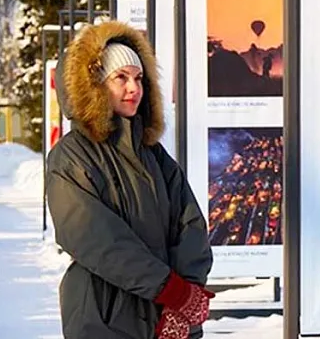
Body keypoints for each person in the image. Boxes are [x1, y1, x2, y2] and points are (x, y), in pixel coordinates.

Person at [46, 21, 214, 339]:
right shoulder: (71, 156)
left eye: (138, 78)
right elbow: (94, 237)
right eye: (121, 78)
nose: (133, 88)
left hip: (166, 316)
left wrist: (185, 297)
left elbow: (190, 223)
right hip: (103, 318)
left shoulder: (152, 153)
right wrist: (170, 289)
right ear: (94, 85)